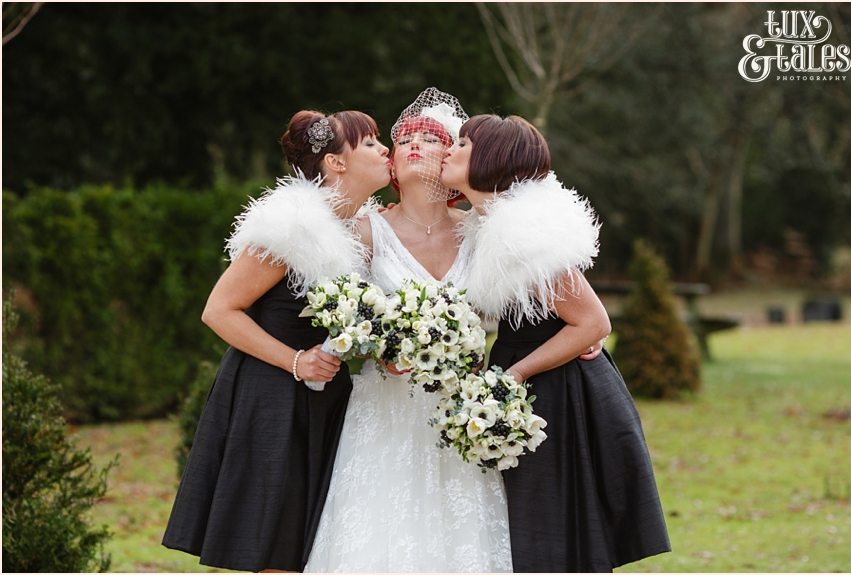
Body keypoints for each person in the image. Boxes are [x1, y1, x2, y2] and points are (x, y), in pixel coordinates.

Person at [161, 109, 391, 572]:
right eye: (370, 143)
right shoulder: (291, 226)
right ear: (336, 162)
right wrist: (296, 361)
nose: (384, 150)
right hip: (272, 396)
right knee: (278, 548)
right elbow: (219, 310)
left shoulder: (363, 228)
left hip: (329, 400)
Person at [440, 114, 671, 572]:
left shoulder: (523, 232)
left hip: (562, 390)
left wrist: (515, 374)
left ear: (491, 159)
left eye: (462, 143)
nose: (449, 149)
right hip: (535, 378)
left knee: (556, 532)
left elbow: (591, 322)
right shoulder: (487, 222)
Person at [304, 88, 512, 573]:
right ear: (392, 163)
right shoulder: (363, 229)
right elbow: (338, 315)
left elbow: (535, 294)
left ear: (453, 158)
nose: (415, 143)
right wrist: (375, 353)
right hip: (384, 408)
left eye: (432, 138)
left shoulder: (481, 231)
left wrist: (588, 336)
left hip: (462, 412)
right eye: (404, 138)